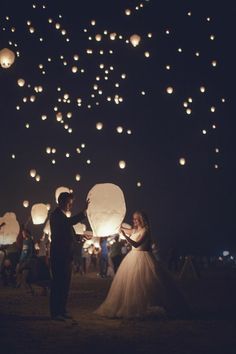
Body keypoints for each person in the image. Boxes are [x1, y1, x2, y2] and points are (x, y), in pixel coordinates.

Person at [95, 211, 189, 319]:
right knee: (131, 283)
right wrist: (117, 225)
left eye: (136, 219)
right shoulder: (134, 230)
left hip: (144, 258)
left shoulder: (146, 231)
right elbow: (123, 229)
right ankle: (132, 305)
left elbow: (136, 244)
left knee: (146, 283)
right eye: (133, 219)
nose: (134, 221)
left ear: (142, 220)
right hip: (132, 258)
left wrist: (125, 236)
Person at [49, 192, 89, 321]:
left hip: (66, 256)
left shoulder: (62, 217)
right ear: (61, 202)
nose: (70, 206)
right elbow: (67, 224)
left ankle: (62, 310)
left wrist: (81, 236)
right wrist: (83, 213)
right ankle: (56, 313)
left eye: (71, 204)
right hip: (59, 256)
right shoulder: (56, 216)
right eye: (69, 203)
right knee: (58, 285)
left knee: (65, 284)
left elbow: (68, 233)